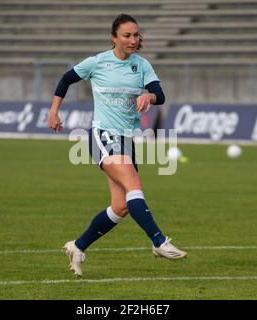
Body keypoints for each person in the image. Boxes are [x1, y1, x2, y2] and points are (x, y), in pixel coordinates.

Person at [48, 13, 187, 277]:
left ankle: (78, 246)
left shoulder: (142, 65)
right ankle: (159, 242)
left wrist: (149, 93)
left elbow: (160, 94)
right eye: (127, 35)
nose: (133, 40)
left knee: (121, 206)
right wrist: (54, 112)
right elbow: (66, 79)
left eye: (136, 35)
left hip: (126, 139)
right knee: (134, 186)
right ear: (114, 38)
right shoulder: (98, 62)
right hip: (102, 135)